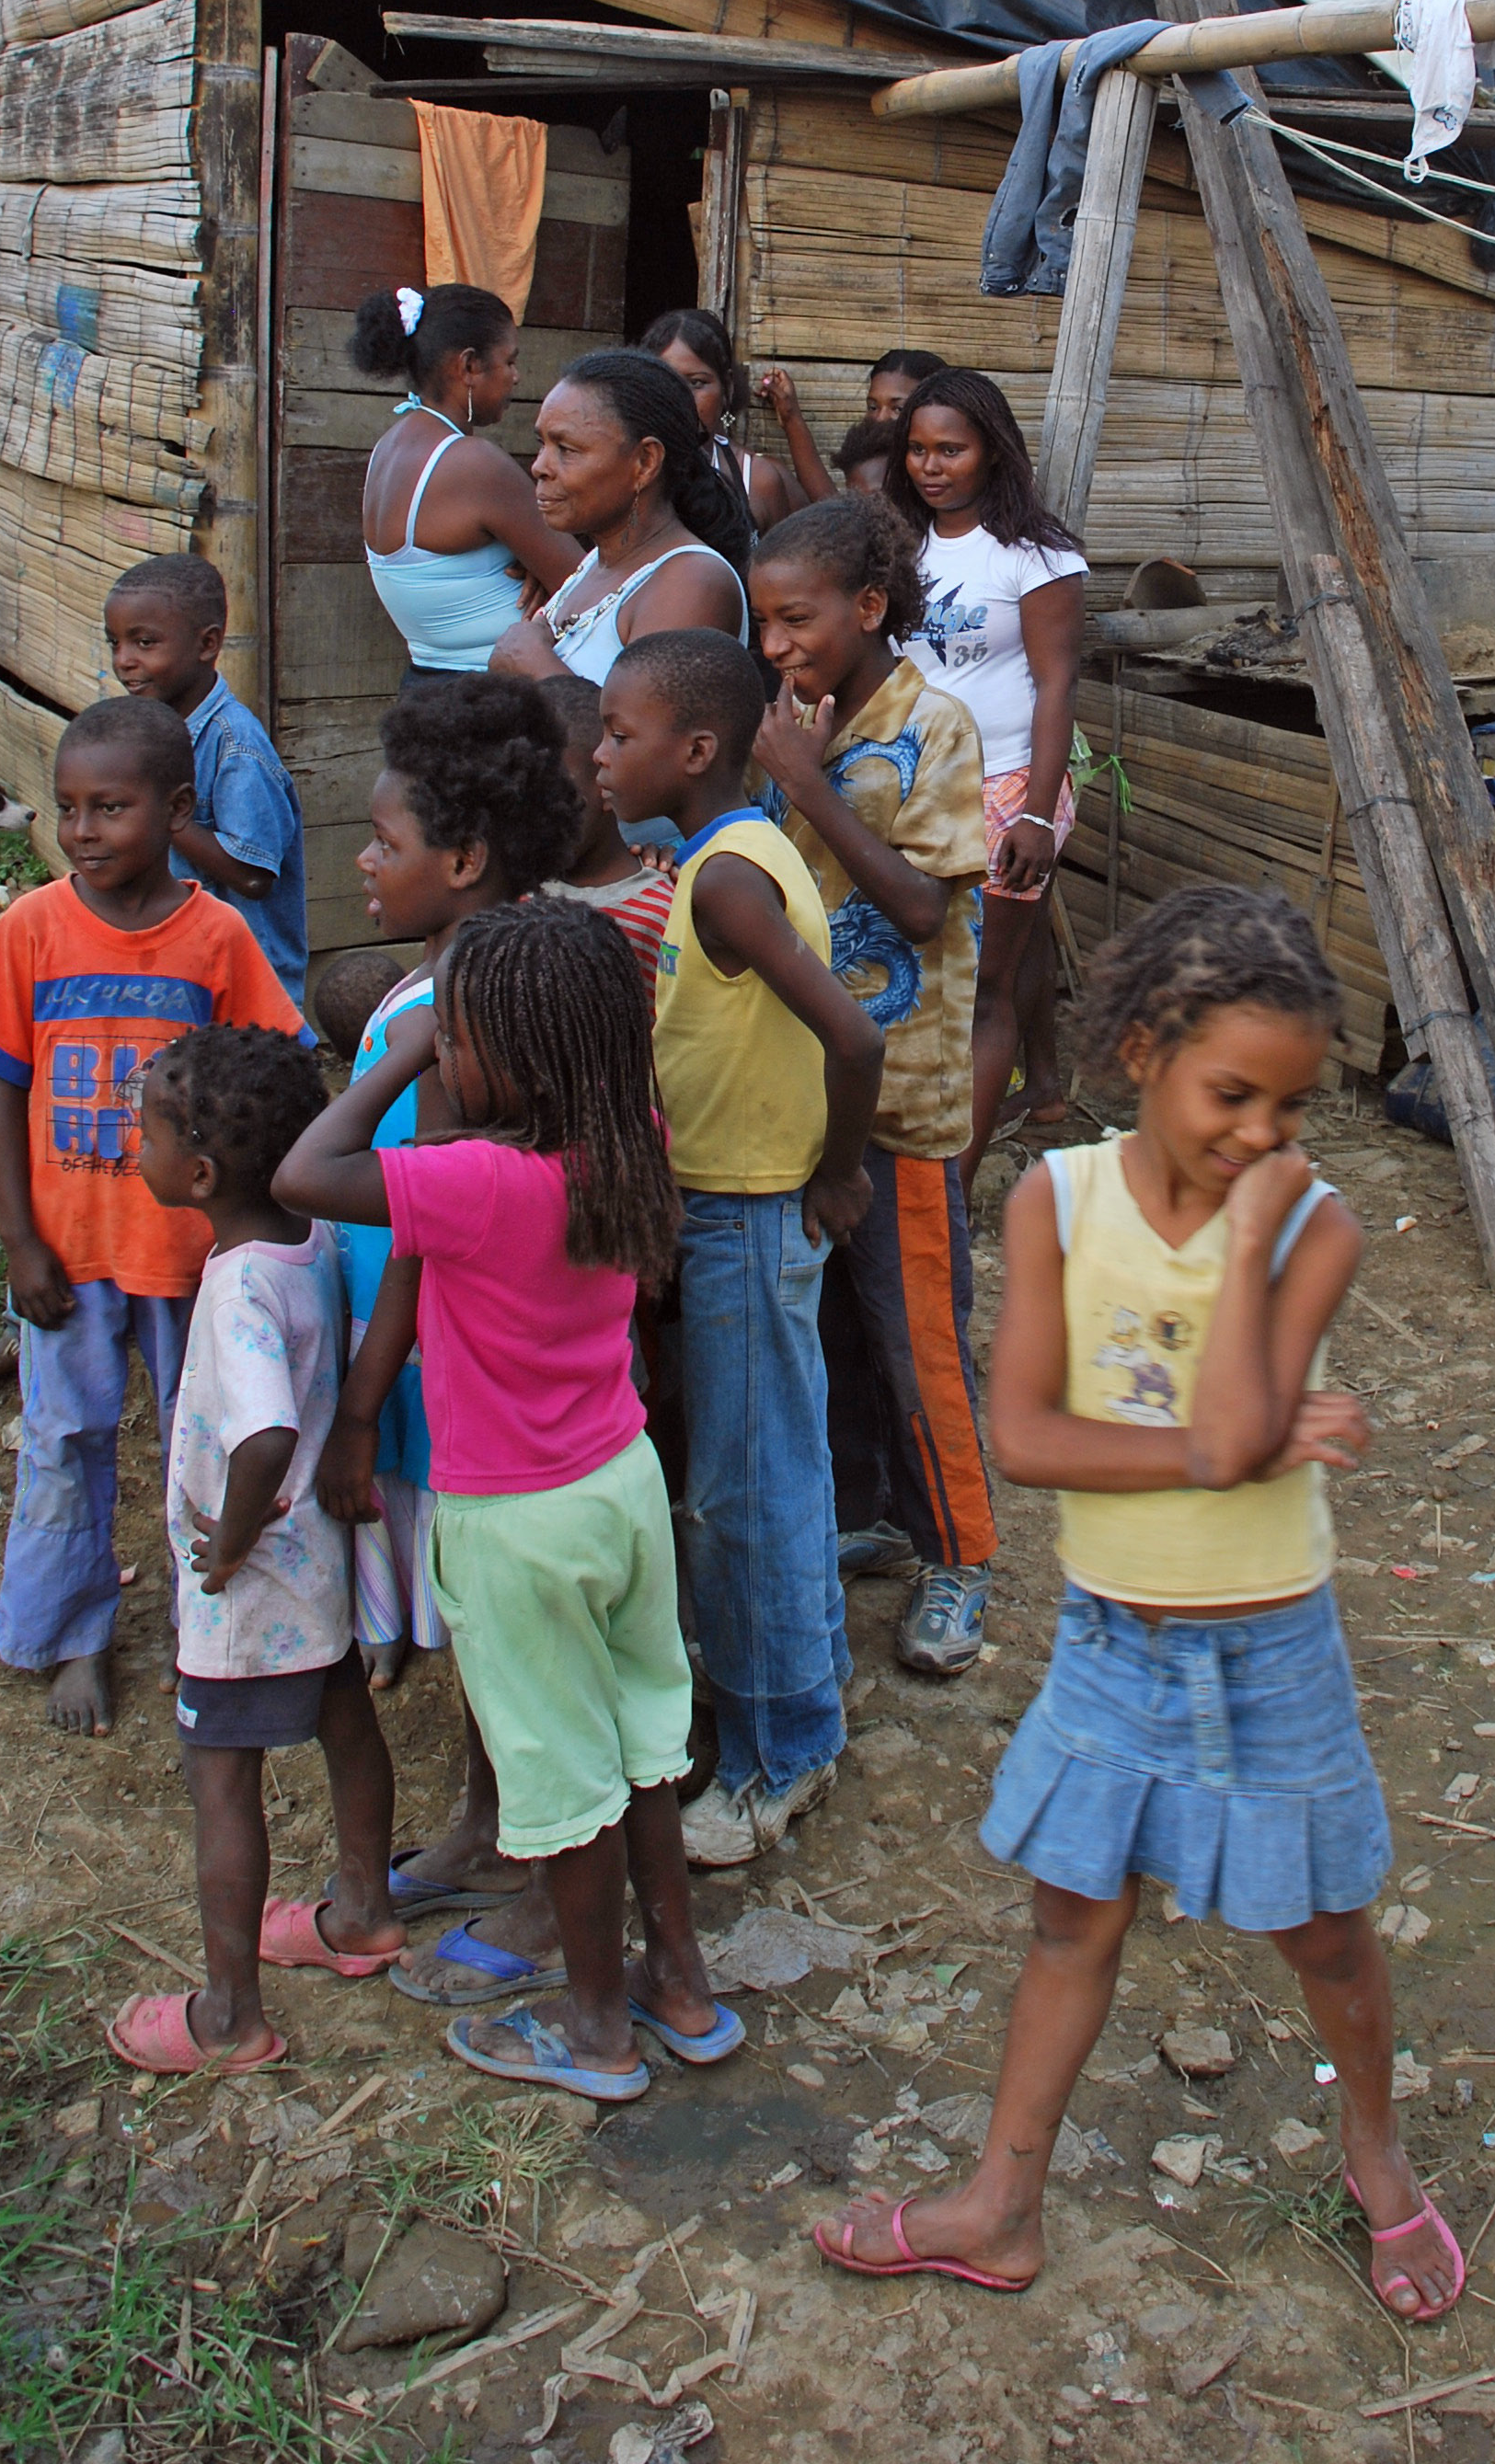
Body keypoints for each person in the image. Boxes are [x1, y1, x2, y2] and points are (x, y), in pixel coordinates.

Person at [815, 886, 1461, 2321]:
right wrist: (1231, 1444)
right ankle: (1000, 2203)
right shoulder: (1058, 1199)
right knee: (1072, 1917)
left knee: (1327, 1929)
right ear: (1145, 1049)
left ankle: (1377, 2155)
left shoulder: (1315, 1230)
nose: (1262, 1137)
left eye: (1289, 1110)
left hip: (1270, 1640)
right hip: (1112, 1639)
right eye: (1234, 1094)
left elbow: (1235, 1435)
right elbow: (1034, 1440)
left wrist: (1247, 1257)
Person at [284, 901, 737, 2104]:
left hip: (513, 1522)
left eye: (464, 1038)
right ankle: (682, 1989)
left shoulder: (474, 1182)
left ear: (508, 1056)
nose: (448, 1052)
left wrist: (404, 1048)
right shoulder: (629, 1131)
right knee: (645, 1748)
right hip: (621, 1487)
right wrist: (455, 1033)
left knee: (559, 1788)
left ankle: (595, 2033)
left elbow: (303, 1171)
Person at [0, 699, 310, 1737]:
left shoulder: (217, 935)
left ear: (178, 808)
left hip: (194, 1255)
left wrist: (259, 1230)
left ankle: (216, 1623)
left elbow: (270, 1074)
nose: (86, 829)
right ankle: (75, 1633)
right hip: (72, 1247)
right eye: (68, 808)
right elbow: (2, 1086)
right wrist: (19, 1238)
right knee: (63, 1437)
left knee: (207, 1442)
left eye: (113, 806)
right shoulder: (31, 929)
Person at [595, 628, 884, 1866]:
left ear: (696, 749)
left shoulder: (725, 881)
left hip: (754, 1214)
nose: (602, 758)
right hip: (734, 1207)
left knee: (742, 1496)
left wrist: (836, 1173)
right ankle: (804, 1690)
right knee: (777, 1472)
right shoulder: (720, 854)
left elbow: (855, 1042)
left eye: (620, 736)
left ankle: (777, 1760)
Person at [331, 682, 582, 2009]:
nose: (363, 862)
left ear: (465, 861)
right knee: (480, 1617)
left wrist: (367, 1397)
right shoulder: (478, 975)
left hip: (441, 1366)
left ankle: (528, 1857)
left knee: (496, 1627)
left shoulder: (465, 1017)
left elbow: (429, 1229)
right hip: (440, 1362)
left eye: (383, 843)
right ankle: (490, 1823)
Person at [105, 1026, 401, 2074]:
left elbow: (265, 1431)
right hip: (319, 1559)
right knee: (344, 1719)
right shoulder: (309, 1231)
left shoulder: (236, 1287)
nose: (130, 1141)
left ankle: (229, 2013)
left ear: (197, 1171)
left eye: (144, 1127)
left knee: (219, 1778)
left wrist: (223, 1550)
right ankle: (362, 1910)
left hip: (251, 1580)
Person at [748, 499, 997, 1679]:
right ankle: (882, 1511)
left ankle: (963, 1551)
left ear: (868, 606)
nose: (776, 643)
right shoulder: (798, 722)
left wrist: (809, 781)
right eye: (762, 621)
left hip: (904, 1102)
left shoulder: (933, 727)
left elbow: (919, 905)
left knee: (919, 1338)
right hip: (812, 1096)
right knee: (840, 1331)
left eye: (796, 618)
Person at [892, 368, 1088, 1188]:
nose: (931, 466)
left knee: (983, 991)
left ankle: (953, 1186)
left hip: (1008, 788)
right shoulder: (899, 546)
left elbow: (1057, 685)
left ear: (991, 452)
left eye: (951, 449)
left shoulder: (1035, 557)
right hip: (909, 788)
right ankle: (909, 1149)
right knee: (911, 980)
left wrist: (1037, 817)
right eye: (917, 450)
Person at [106, 553, 309, 1010]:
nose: (124, 661)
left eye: (144, 643)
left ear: (208, 644)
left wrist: (167, 818)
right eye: (115, 643)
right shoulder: (151, 734)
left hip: (247, 992)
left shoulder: (236, 747)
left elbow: (254, 876)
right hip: (182, 979)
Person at [351, 281, 581, 682]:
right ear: (469, 366)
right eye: (509, 362)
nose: (516, 377)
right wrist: (543, 575)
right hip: (494, 700)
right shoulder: (473, 465)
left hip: (427, 687)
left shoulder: (388, 449)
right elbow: (581, 587)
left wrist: (535, 565)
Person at [490, 350, 750, 690]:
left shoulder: (694, 585)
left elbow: (651, 738)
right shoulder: (597, 562)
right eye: (542, 444)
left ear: (645, 462)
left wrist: (532, 661)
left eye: (566, 449)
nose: (540, 466)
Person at [538, 673, 676, 999]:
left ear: (605, 784)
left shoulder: (661, 913)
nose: (529, 814)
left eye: (551, 793)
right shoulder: (510, 893)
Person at [644, 306, 806, 537]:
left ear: (727, 387)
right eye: (665, 381)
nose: (679, 397)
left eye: (696, 383)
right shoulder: (626, 474)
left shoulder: (758, 480)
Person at [762, 347, 949, 510]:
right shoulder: (871, 462)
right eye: (873, 407)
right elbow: (834, 512)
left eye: (898, 408)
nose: (881, 418)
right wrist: (790, 417)